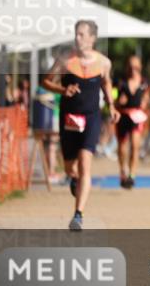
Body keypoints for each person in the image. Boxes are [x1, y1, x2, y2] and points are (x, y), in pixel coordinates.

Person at [41, 20, 118, 231]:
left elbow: (106, 83)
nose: (78, 38)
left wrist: (111, 105)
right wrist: (62, 90)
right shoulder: (65, 60)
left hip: (91, 117)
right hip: (69, 118)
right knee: (69, 167)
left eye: (83, 34)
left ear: (93, 38)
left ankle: (78, 215)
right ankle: (73, 179)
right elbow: (45, 81)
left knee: (85, 161)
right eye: (77, 34)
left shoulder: (104, 63)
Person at [115, 55, 149, 188]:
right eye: (130, 66)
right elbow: (113, 101)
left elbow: (147, 98)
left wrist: (145, 102)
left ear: (140, 67)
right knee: (122, 148)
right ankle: (123, 170)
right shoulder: (121, 82)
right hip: (123, 116)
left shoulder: (144, 83)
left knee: (135, 146)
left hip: (137, 117)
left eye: (136, 66)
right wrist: (119, 101)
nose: (133, 69)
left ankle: (132, 175)